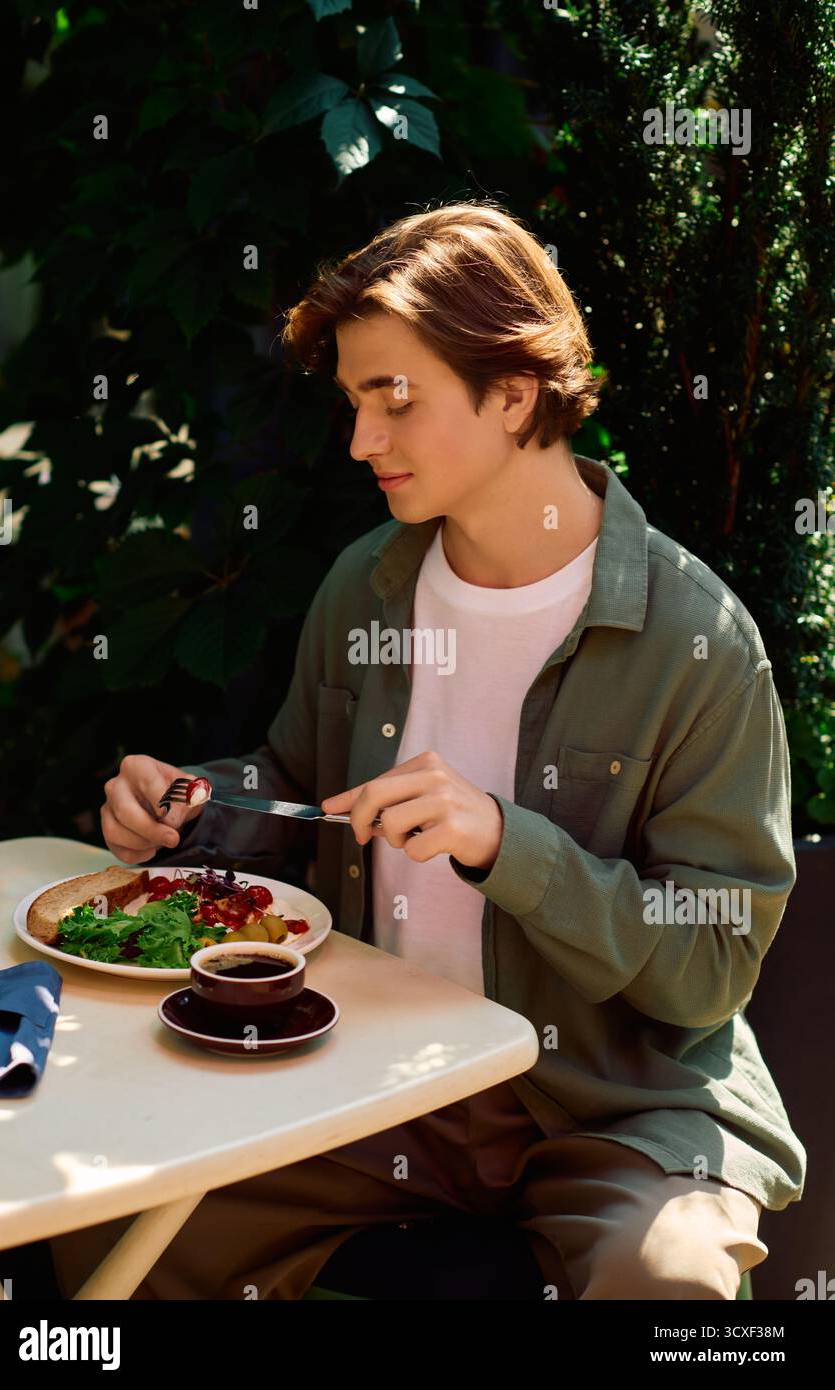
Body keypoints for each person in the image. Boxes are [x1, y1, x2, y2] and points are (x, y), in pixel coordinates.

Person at [50, 201, 805, 1300]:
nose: (360, 440)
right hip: (373, 1078)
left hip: (610, 1110)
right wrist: (195, 805)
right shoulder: (368, 582)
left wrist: (509, 844)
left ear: (511, 393)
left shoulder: (698, 642)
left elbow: (708, 967)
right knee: (115, 1222)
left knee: (670, 1284)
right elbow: (298, 787)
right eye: (355, 400)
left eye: (392, 398)